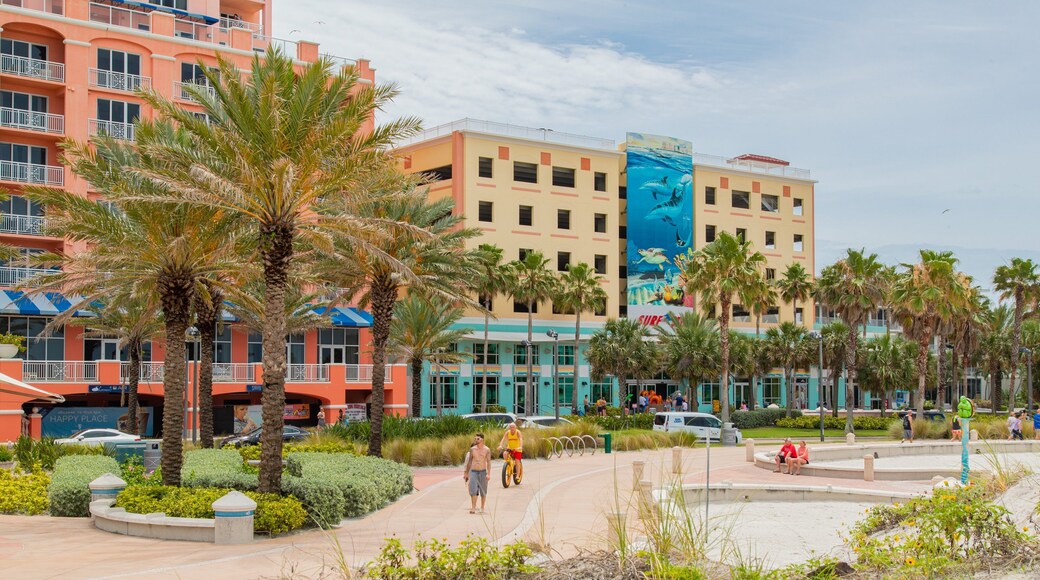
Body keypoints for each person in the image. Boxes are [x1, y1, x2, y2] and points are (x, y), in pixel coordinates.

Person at [463, 433, 492, 514]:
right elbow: (469, 462)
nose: (476, 440)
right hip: (473, 472)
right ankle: (473, 507)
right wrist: (466, 473)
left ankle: (482, 507)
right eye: (475, 438)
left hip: (483, 472)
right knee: (473, 490)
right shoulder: (472, 449)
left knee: (483, 491)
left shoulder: (487, 450)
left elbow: (489, 462)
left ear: (482, 439)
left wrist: (488, 474)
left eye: (478, 439)